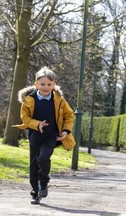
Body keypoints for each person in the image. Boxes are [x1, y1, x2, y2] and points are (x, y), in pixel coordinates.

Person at [14, 66, 75, 205]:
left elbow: (69, 115)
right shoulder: (29, 100)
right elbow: (26, 118)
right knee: (34, 165)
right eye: (42, 84)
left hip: (51, 136)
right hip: (35, 136)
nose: (46, 87)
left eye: (49, 84)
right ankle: (35, 193)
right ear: (36, 84)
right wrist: (37, 124)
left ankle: (44, 181)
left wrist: (66, 131)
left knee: (43, 157)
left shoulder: (59, 100)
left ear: (54, 85)